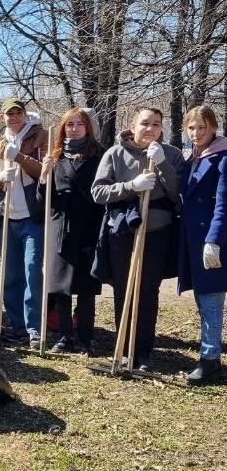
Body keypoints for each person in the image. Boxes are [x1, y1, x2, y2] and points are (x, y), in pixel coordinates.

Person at [91, 107, 184, 372]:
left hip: (157, 234)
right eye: (145, 123)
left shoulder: (174, 154)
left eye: (156, 124)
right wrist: (132, 186)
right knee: (123, 290)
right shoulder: (115, 154)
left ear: (161, 129)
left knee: (148, 292)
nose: (150, 128)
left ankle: (143, 352)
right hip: (122, 232)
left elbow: (179, 195)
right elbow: (98, 192)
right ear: (133, 126)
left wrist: (163, 163)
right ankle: (122, 349)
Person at [37, 108, 105, 355]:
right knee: (60, 285)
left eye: (79, 124)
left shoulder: (98, 155)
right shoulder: (56, 157)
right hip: (60, 226)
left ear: (88, 127)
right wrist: (44, 175)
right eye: (69, 124)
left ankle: (86, 337)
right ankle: (65, 336)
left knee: (86, 287)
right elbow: (43, 200)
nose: (74, 128)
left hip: (87, 226)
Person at [0, 98, 48, 347]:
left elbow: (45, 172)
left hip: (32, 217)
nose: (13, 117)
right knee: (11, 275)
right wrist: (1, 178)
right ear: (2, 118)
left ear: (24, 114)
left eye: (17, 113)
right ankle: (16, 326)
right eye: (9, 114)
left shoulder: (40, 136)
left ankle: (34, 328)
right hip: (8, 219)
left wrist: (21, 158)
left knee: (33, 271)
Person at [177, 105, 226, 384]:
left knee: (211, 300)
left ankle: (210, 359)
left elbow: (223, 204)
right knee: (202, 299)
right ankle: (212, 353)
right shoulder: (193, 157)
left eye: (201, 127)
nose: (196, 133)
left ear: (213, 127)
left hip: (211, 239)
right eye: (191, 128)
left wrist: (214, 240)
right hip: (192, 240)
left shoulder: (222, 157)